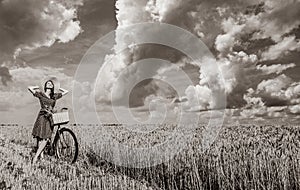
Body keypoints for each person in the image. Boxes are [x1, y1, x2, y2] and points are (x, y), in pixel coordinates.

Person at [28, 80, 68, 164]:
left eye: (51, 84)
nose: (50, 84)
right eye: (48, 83)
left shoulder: (54, 96)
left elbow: (66, 92)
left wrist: (59, 88)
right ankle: (40, 157)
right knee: (40, 137)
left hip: (50, 117)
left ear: (53, 87)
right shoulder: (41, 94)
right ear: (45, 85)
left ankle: (35, 157)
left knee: (46, 138)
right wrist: (36, 87)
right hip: (42, 116)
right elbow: (29, 88)